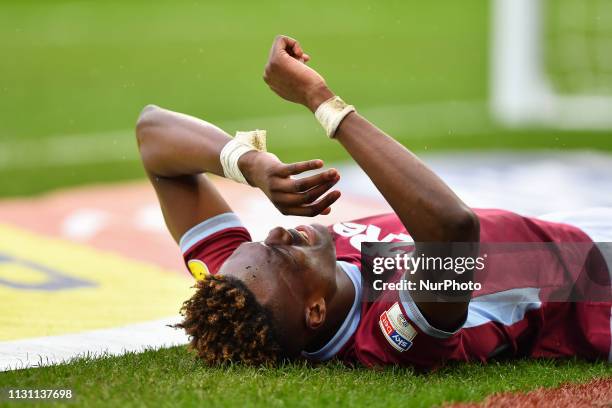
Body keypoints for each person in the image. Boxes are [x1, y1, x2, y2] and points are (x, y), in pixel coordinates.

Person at [135, 35, 612, 369]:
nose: (276, 232)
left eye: (263, 240)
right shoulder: (387, 339)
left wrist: (249, 165)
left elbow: (152, 132)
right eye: (281, 251)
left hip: (572, 230)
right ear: (315, 312)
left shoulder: (244, 280)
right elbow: (453, 229)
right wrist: (321, 101)